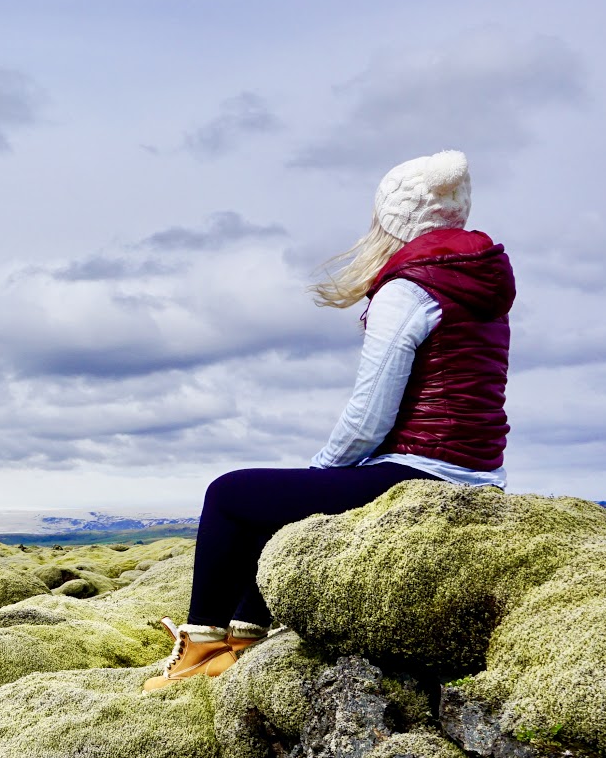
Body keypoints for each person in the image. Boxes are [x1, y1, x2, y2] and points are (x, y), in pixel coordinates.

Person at [143, 150, 513, 693]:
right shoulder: (478, 284)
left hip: (422, 471)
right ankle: (243, 641)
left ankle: (199, 647)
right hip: (479, 476)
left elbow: (368, 419)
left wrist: (320, 473)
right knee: (277, 500)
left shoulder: (408, 291)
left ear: (393, 221)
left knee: (229, 494)